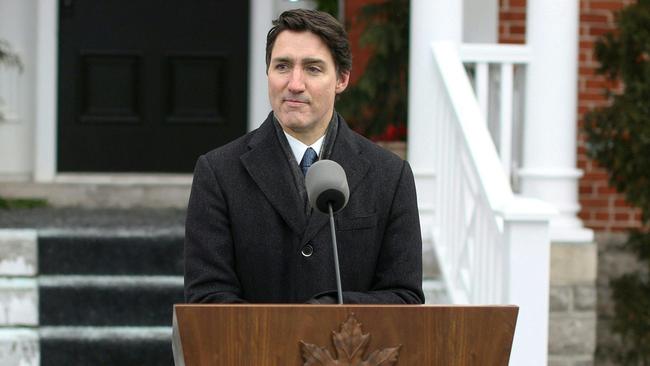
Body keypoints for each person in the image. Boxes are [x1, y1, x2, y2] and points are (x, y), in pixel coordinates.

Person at [184, 9, 423, 304]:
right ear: (268, 73)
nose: (295, 84)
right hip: (253, 349)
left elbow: (404, 297)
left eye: (313, 68)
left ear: (342, 79)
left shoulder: (390, 175)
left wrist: (324, 317)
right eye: (283, 66)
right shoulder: (219, 173)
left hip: (349, 349)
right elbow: (207, 299)